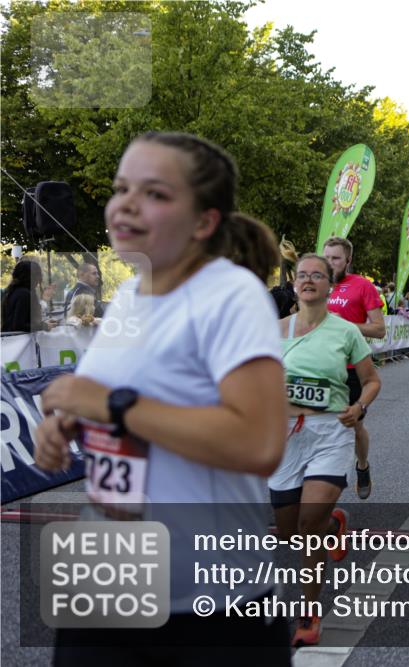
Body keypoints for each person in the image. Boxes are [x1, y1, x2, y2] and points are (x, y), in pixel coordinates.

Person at [33, 131, 290, 665]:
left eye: (154, 193)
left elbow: (259, 443)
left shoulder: (231, 294)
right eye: (121, 188)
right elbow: (126, 406)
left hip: (212, 608)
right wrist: (70, 425)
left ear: (204, 222)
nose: (126, 204)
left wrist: (112, 406)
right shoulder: (129, 294)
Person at [270, 253, 380, 647]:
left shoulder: (346, 332)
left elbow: (371, 380)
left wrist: (359, 406)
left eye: (317, 275)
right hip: (285, 436)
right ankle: (335, 526)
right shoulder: (275, 331)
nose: (308, 280)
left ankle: (309, 613)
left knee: (308, 524)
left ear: (329, 286)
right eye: (302, 275)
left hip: (330, 433)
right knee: (289, 533)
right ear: (294, 285)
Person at [322, 236, 385, 500]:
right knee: (318, 428)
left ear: (347, 260)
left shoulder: (362, 286)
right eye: (326, 257)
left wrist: (345, 325)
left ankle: (362, 465)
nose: (330, 263)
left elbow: (379, 329)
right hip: (318, 370)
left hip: (350, 369)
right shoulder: (315, 283)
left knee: (353, 427)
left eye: (335, 258)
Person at [1, 258, 55, 332]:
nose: (39, 280)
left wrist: (43, 323)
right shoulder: (24, 294)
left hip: (9, 338)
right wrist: (43, 326)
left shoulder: (12, 291)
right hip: (17, 338)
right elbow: (18, 326)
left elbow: (20, 321)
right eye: (38, 276)